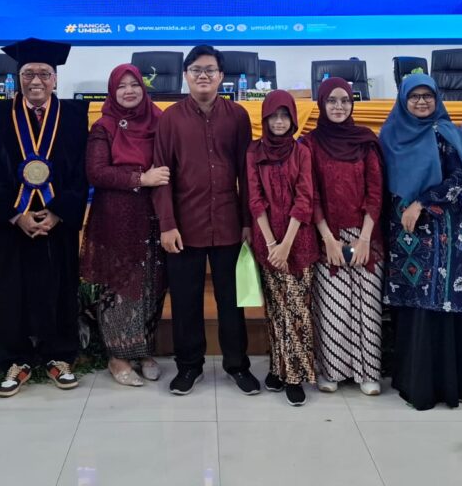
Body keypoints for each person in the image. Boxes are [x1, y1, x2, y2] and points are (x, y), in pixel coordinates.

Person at [0, 38, 89, 397]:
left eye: (44, 73)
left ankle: (60, 355)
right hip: (16, 224)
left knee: (61, 286)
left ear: (55, 79)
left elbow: (82, 171)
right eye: (28, 74)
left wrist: (58, 212)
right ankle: (16, 358)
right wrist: (15, 215)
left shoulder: (74, 116)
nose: (36, 81)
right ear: (18, 78)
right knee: (11, 290)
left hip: (58, 222)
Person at [153, 45, 259, 396]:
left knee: (231, 301)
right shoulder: (170, 119)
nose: (203, 75)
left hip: (229, 223)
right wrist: (167, 224)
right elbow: (162, 175)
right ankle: (189, 366)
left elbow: (246, 173)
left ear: (221, 76)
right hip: (185, 225)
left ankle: (237, 365)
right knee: (186, 301)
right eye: (196, 69)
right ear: (185, 75)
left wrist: (247, 221)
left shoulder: (237, 116)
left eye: (210, 70)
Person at [380, 74, 462, 410]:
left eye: (428, 96)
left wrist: (421, 202)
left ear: (437, 98)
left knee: (437, 302)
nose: (421, 102)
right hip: (402, 233)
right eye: (414, 96)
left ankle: (440, 384)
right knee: (409, 304)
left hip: (440, 231)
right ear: (403, 100)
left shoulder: (445, 132)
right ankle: (410, 379)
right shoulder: (390, 134)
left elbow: (458, 179)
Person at [81, 64, 169, 386]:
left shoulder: (160, 120)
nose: (129, 91)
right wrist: (140, 178)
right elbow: (96, 172)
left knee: (152, 283)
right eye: (122, 86)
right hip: (117, 217)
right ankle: (117, 356)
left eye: (134, 85)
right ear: (112, 91)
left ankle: (143, 350)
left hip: (154, 213)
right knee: (120, 286)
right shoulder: (103, 127)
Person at [301, 77, 385, 396]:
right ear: (321, 103)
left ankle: (368, 372)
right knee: (332, 304)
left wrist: (364, 239)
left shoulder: (365, 141)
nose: (339, 106)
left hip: (366, 233)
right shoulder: (310, 144)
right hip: (328, 235)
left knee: (367, 303)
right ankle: (332, 371)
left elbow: (375, 191)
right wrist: (328, 238)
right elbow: (311, 196)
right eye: (332, 100)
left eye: (345, 100)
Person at [245, 89, 320, 407]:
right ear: (265, 119)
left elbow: (305, 198)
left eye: (284, 115)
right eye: (273, 116)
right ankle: (278, 368)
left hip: (298, 240)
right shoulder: (253, 151)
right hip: (268, 240)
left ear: (292, 119)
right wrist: (272, 243)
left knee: (297, 310)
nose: (279, 121)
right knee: (276, 310)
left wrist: (286, 243)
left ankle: (295, 377)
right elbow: (255, 198)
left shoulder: (301, 151)